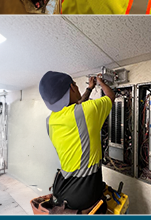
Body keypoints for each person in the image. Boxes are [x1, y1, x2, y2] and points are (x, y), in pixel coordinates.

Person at [39, 71, 115, 213]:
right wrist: (101, 82)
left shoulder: (49, 121)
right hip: (85, 192)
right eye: (75, 84)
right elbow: (110, 96)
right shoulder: (85, 112)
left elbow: (77, 106)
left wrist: (90, 88)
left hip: (61, 190)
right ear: (72, 88)